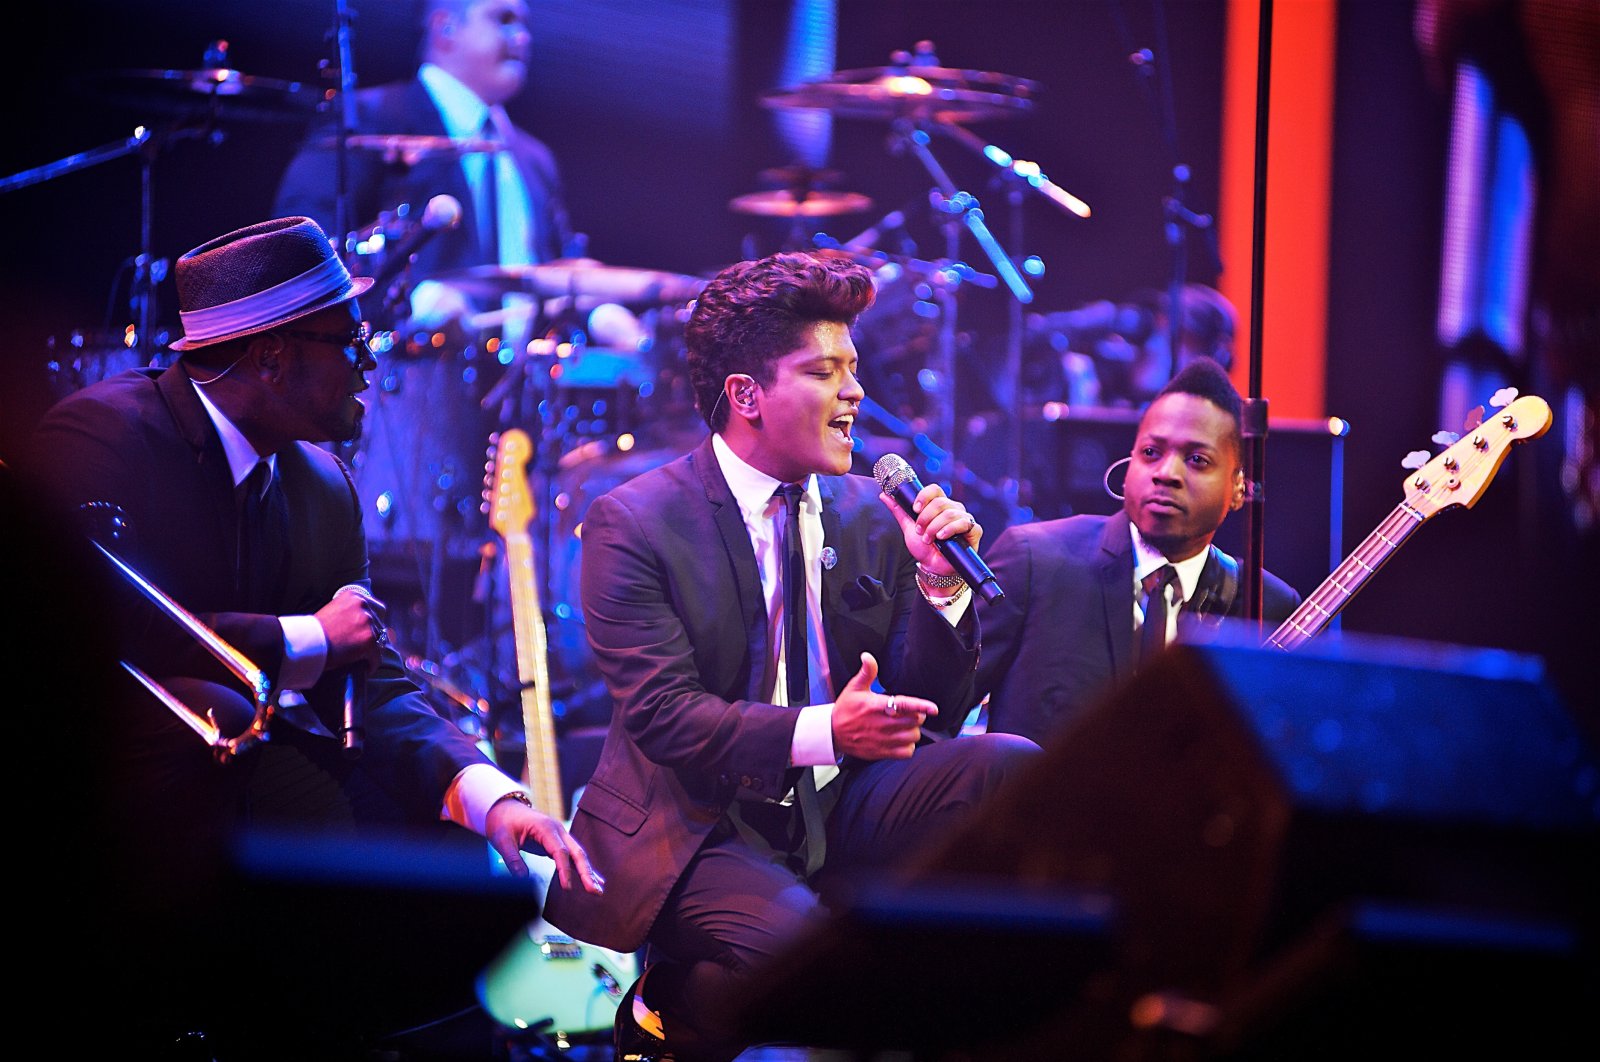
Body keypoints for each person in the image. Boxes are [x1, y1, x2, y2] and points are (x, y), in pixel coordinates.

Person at [20, 215, 603, 1051]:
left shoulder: (321, 480)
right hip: (115, 785)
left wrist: (493, 798)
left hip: (253, 763)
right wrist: (308, 637)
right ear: (273, 356)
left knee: (444, 856)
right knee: (219, 712)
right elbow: (92, 630)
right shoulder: (105, 436)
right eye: (351, 343)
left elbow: (376, 682)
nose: (370, 366)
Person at [540, 251, 1041, 1061]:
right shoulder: (633, 520)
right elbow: (667, 721)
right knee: (811, 967)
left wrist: (941, 588)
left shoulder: (868, 513)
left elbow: (930, 712)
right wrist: (827, 733)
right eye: (826, 372)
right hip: (698, 823)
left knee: (1007, 766)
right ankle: (669, 1001)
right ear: (746, 396)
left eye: (854, 368)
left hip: (836, 804)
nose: (856, 393)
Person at [975, 357, 1301, 746]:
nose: (1166, 473)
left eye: (1197, 460)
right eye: (1150, 453)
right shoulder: (1034, 559)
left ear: (1238, 488)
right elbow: (937, 709)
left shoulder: (1269, 605)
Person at [274, 0, 573, 333]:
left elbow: (561, 274)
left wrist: (599, 313)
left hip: (519, 378)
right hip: (402, 371)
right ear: (445, 27)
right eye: (503, 19)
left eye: (523, 24)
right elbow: (300, 249)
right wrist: (411, 299)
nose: (522, 37)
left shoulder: (534, 159)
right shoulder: (367, 119)